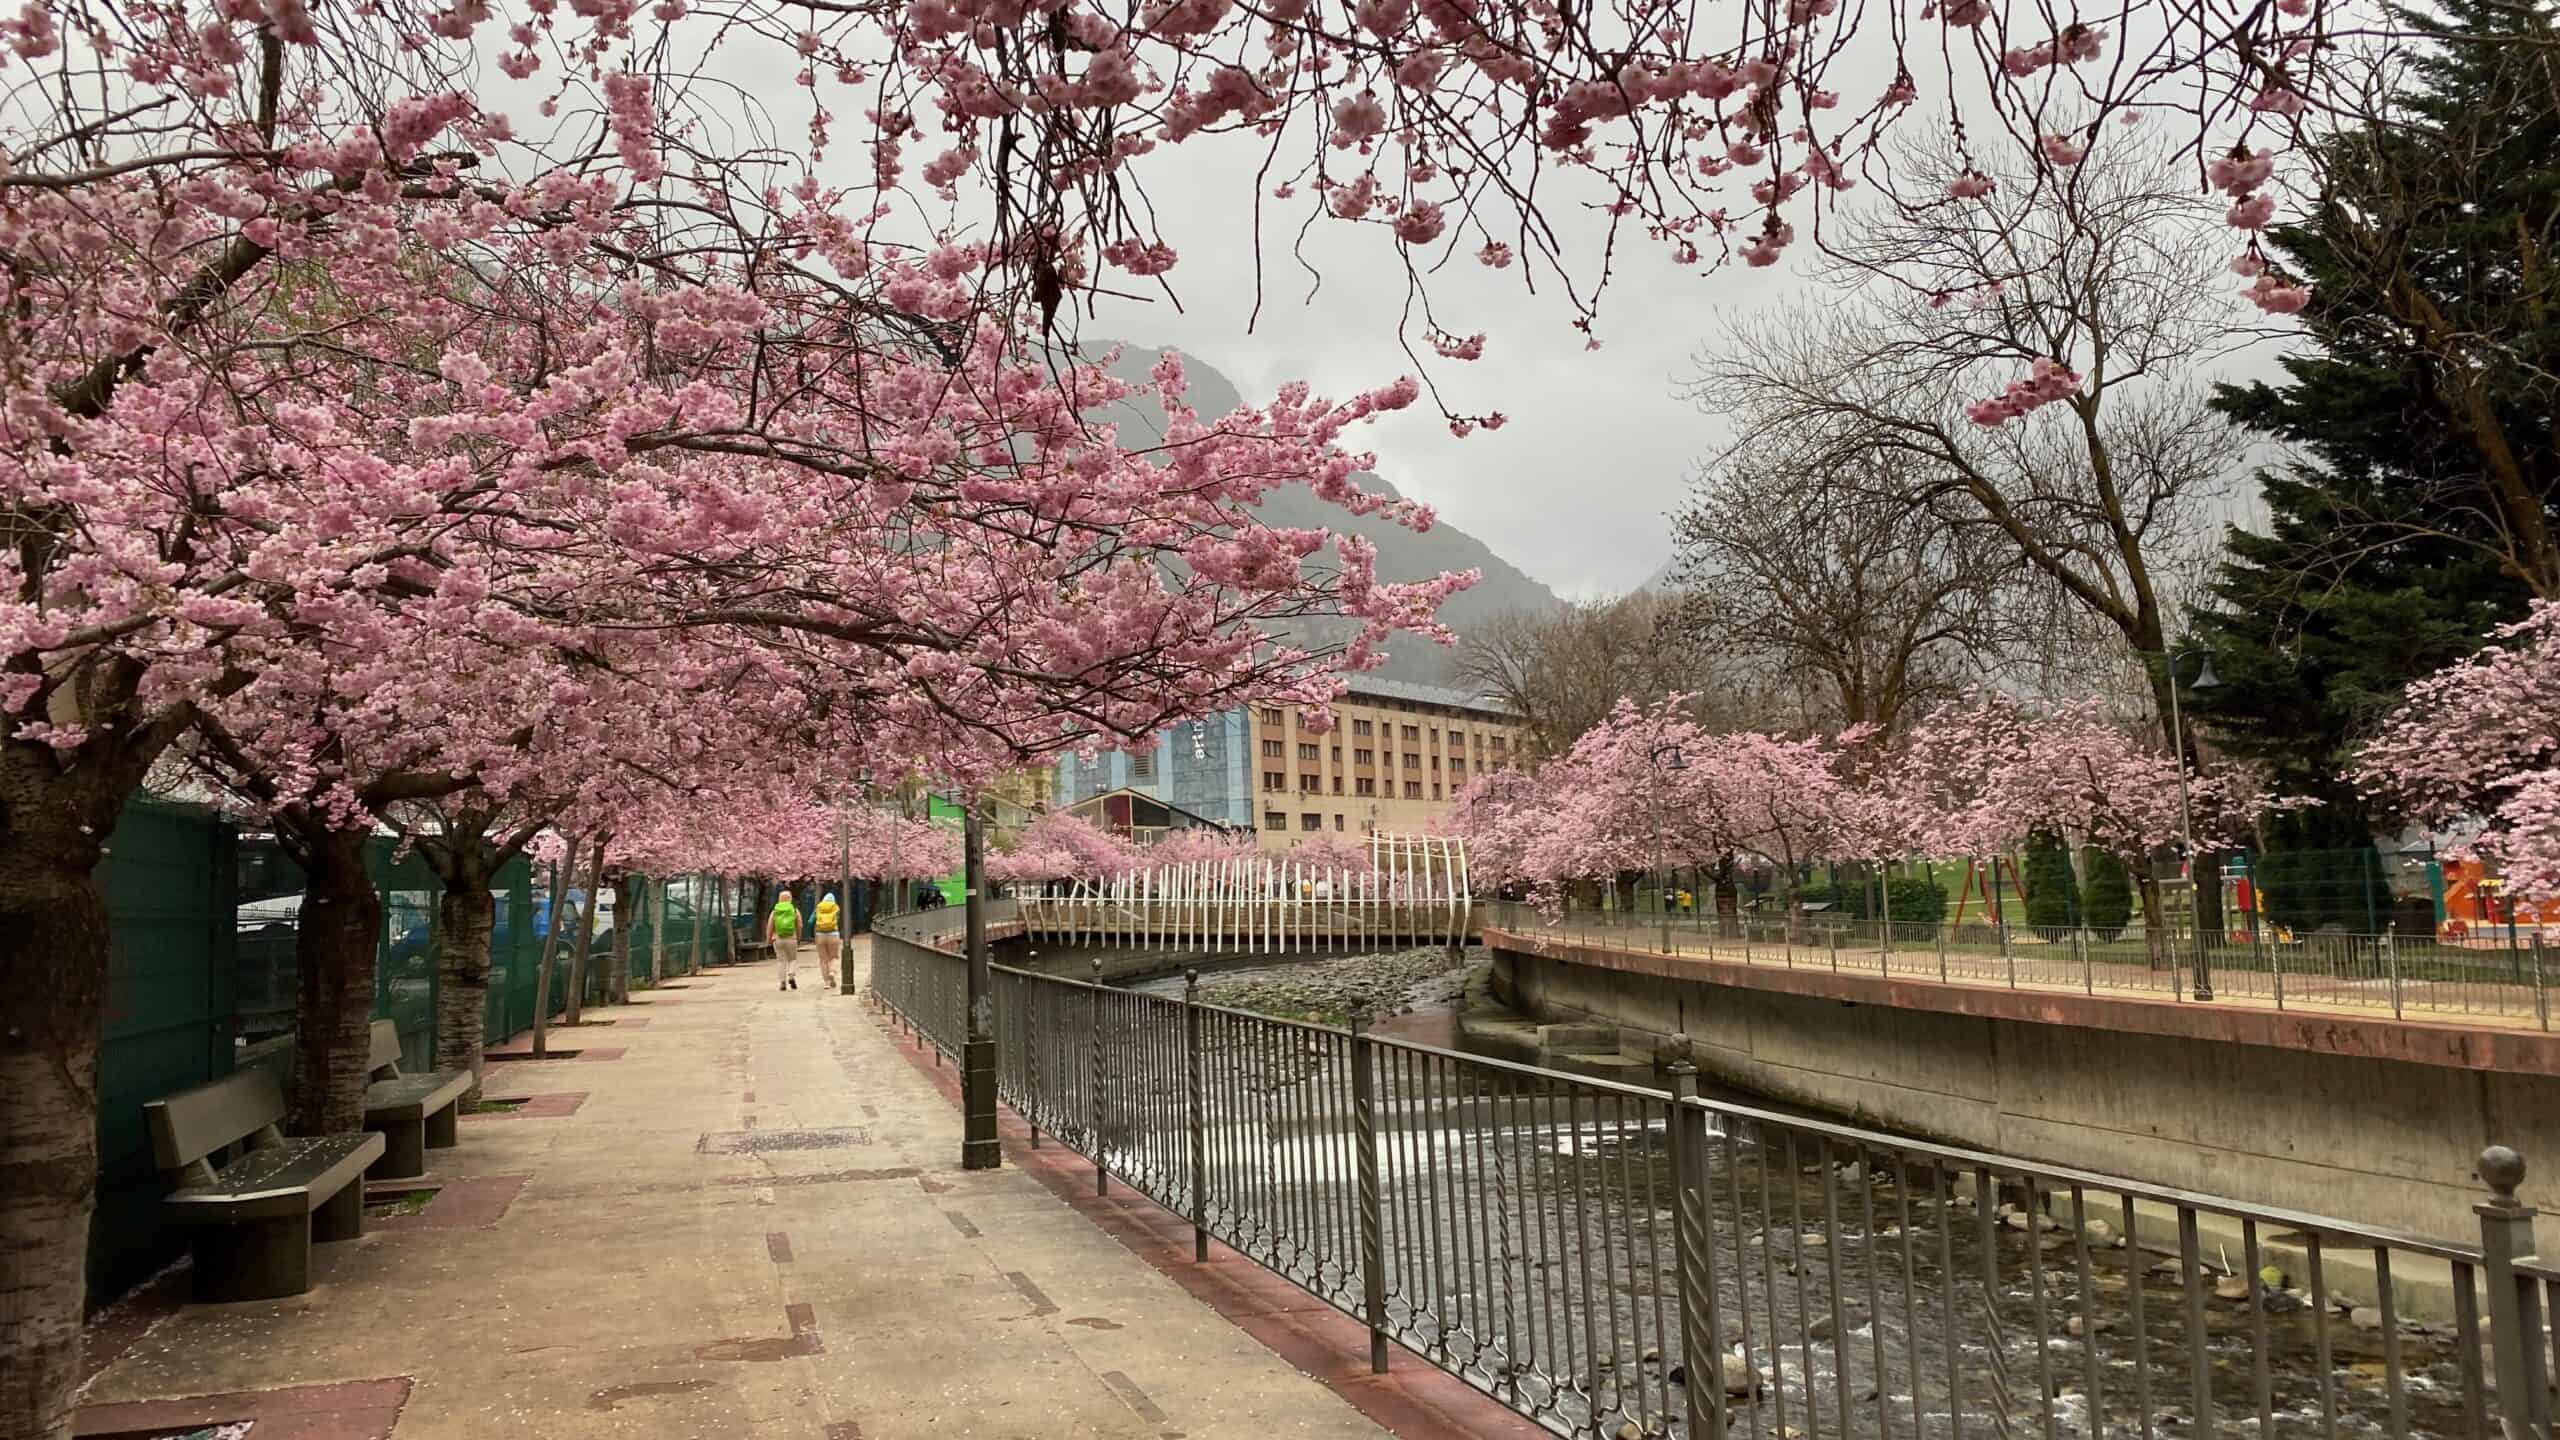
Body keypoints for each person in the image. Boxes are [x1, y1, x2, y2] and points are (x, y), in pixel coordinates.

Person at [768, 887, 803, 991]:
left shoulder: (775, 911)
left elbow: (770, 926)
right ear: (790, 899)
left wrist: (768, 938)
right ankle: (791, 975)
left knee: (781, 961)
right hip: (792, 938)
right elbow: (800, 925)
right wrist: (799, 937)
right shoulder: (794, 910)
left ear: (779, 899)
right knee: (792, 959)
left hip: (778, 939)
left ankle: (782, 982)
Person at [812, 891, 842, 989]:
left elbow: (810, 921)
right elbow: (838, 920)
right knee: (834, 957)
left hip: (820, 934)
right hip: (833, 934)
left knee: (823, 960)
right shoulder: (836, 908)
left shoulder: (818, 908)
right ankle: (832, 972)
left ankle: (826, 983)